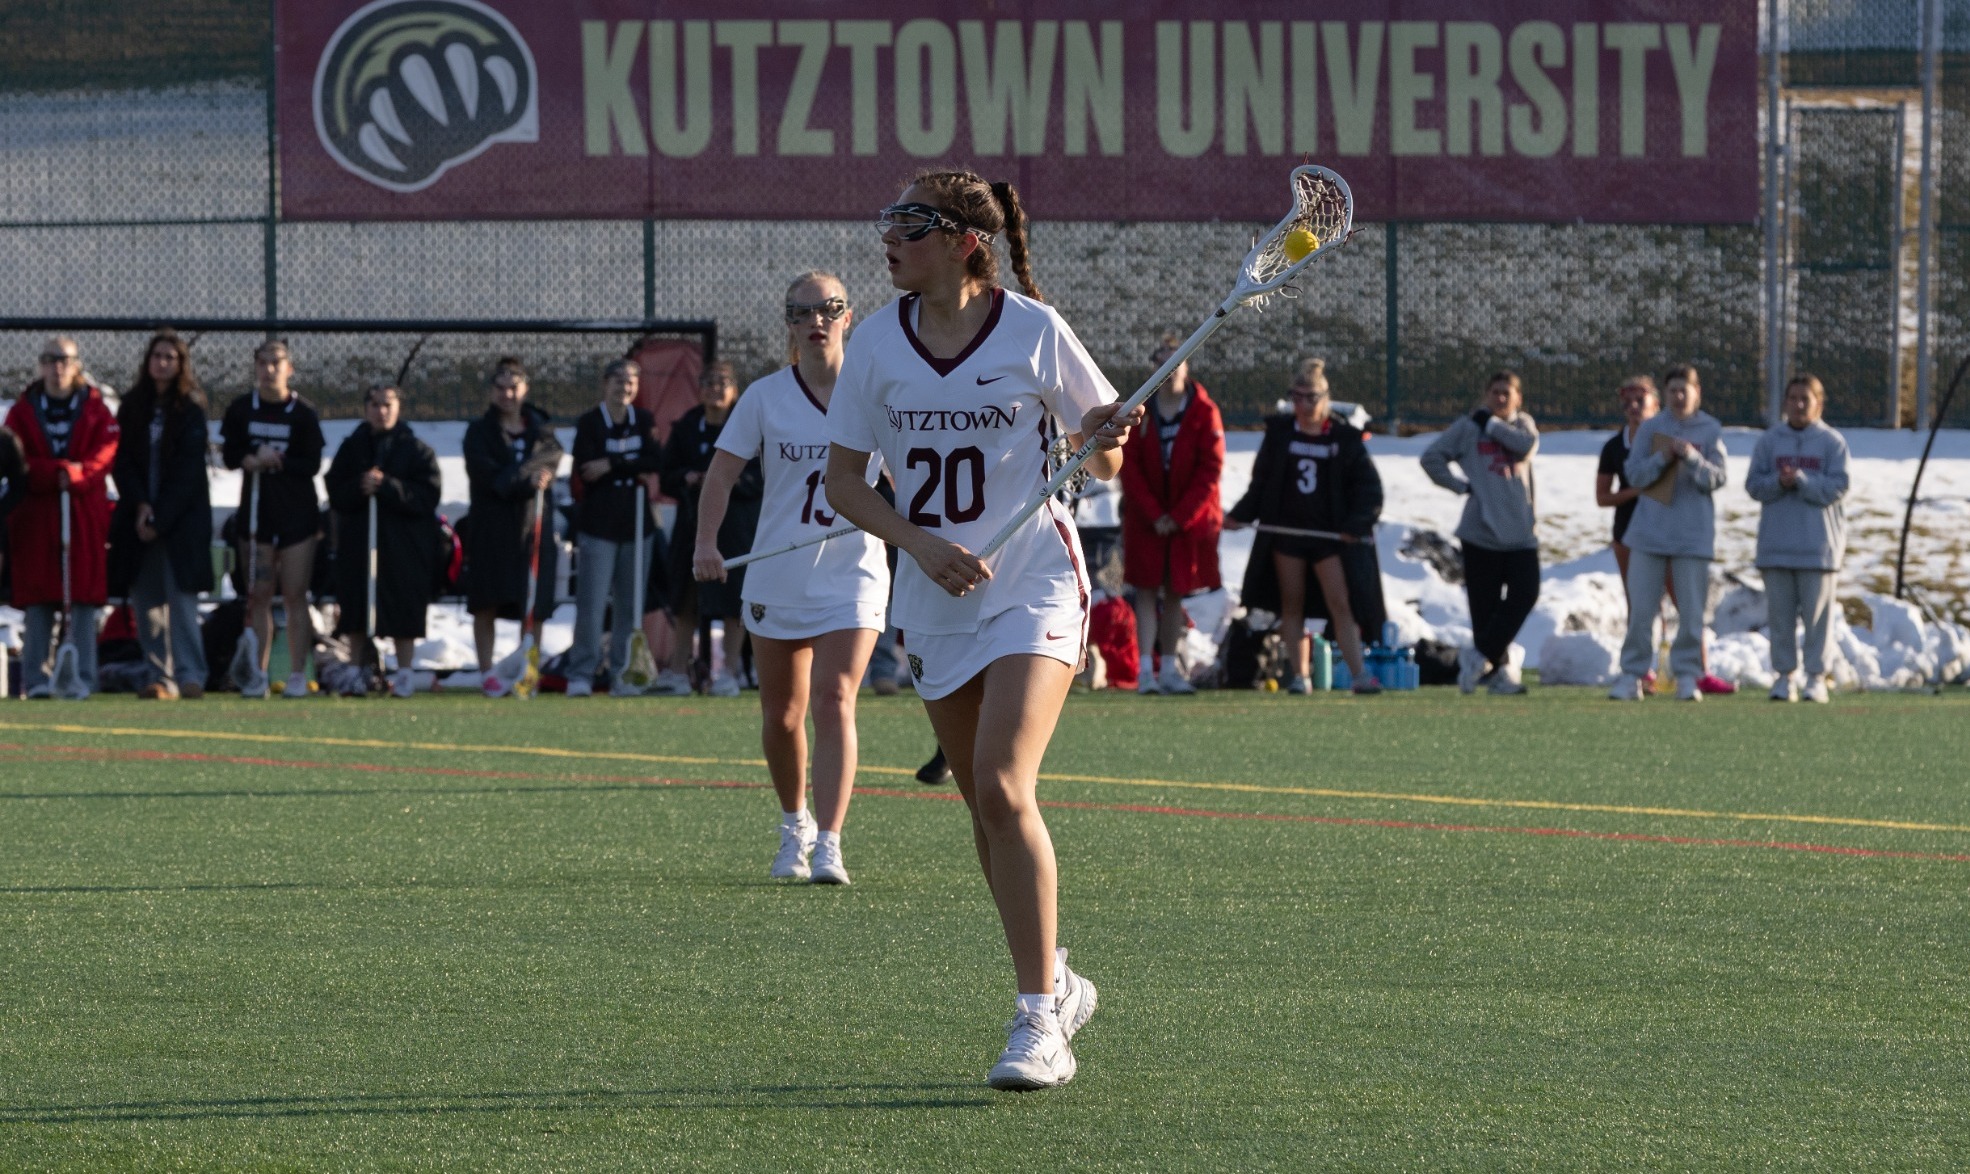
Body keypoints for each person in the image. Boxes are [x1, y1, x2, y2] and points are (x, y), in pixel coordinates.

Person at [823, 169, 1141, 1090]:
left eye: (911, 225)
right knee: (981, 806)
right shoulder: (875, 342)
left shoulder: (1036, 331)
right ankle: (1058, 976)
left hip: (1034, 581)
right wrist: (918, 546)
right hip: (933, 594)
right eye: (888, 220)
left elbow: (1107, 458)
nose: (890, 238)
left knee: (1004, 786)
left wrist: (1101, 432)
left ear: (966, 239)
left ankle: (1038, 1019)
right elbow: (847, 483)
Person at [695, 271, 890, 884]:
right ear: (789, 323)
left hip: (853, 573)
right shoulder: (764, 396)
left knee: (835, 698)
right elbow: (722, 474)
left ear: (849, 316)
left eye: (830, 309)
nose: (817, 321)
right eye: (803, 312)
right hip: (777, 573)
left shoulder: (880, 394)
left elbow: (913, 475)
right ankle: (793, 825)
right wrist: (706, 542)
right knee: (782, 715)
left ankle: (830, 842)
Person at [1225, 358, 1383, 694]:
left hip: (1329, 539)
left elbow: (1369, 490)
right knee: (1291, 603)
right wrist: (1239, 515)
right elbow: (1261, 484)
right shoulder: (1280, 434)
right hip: (1288, 535)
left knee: (1341, 604)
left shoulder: (1344, 438)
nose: (1303, 404)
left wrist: (1355, 525)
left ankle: (1359, 676)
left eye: (1310, 397)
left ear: (1325, 398)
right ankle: (1300, 676)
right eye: (1296, 397)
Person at [1596, 376, 1733, 694]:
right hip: (1648, 534)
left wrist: (1691, 458)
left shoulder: (1710, 429)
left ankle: (1687, 676)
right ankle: (1633, 674)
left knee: (1690, 610)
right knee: (1642, 609)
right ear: (1665, 395)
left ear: (1697, 392)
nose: (1679, 396)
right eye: (1673, 390)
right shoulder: (1650, 428)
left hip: (1692, 536)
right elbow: (1635, 473)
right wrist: (1663, 458)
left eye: (1685, 389)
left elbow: (1717, 478)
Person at [4, 337, 118, 698]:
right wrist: (52, 472)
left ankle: (82, 677)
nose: (58, 367)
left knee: (82, 597)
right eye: (50, 360)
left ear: (76, 364)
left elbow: (105, 453)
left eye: (65, 360)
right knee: (39, 598)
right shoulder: (22, 411)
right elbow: (13, 457)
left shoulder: (96, 409)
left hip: (82, 513)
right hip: (37, 515)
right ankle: (37, 680)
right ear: (40, 365)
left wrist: (78, 473)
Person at [1420, 370, 1540, 695]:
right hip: (1480, 533)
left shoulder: (1522, 425)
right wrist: (1461, 486)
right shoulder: (1467, 428)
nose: (1500, 398)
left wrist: (1491, 424)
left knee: (1525, 594)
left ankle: (1478, 656)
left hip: (1520, 533)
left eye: (1507, 393)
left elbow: (1525, 447)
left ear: (1518, 398)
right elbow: (1431, 458)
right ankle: (1498, 674)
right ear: (1486, 395)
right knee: (1484, 609)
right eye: (1495, 392)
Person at [109, 330, 213, 700]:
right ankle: (160, 675)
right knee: (147, 602)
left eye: (171, 357)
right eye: (157, 356)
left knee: (181, 602)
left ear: (181, 363)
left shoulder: (191, 407)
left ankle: (190, 675)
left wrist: (160, 518)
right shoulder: (132, 405)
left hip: (179, 524)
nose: (163, 362)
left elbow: (187, 473)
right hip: (138, 521)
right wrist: (140, 506)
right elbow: (121, 462)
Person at [1120, 331, 1224, 695]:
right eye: (1162, 360)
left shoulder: (1203, 411)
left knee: (1175, 592)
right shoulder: (1139, 408)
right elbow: (1127, 467)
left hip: (1185, 522)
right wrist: (1153, 513)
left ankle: (1168, 669)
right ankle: (1145, 671)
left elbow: (1210, 470)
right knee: (1146, 592)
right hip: (1145, 519)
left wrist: (1178, 517)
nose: (1169, 368)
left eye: (1176, 360)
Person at [221, 340, 326, 699]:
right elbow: (230, 454)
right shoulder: (240, 409)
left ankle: (298, 674)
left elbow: (311, 463)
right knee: (259, 595)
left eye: (276, 363)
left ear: (289, 368)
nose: (269, 370)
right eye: (263, 363)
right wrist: (250, 457)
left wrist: (277, 460)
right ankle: (258, 674)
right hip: (255, 515)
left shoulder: (303, 413)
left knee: (296, 594)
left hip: (297, 516)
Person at [324, 384, 442, 698]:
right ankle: (355, 669)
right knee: (357, 605)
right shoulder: (353, 447)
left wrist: (387, 486)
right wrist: (359, 487)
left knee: (403, 605)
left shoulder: (416, 449)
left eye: (387, 404)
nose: (381, 411)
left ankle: (404, 672)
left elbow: (428, 495)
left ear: (398, 408)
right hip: (360, 542)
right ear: (366, 409)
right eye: (375, 405)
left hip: (403, 545)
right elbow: (335, 490)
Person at [462, 357, 564, 697]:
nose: (507, 394)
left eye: (514, 387)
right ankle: (487, 672)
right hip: (491, 529)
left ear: (525, 389)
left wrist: (521, 476)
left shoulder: (541, 429)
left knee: (533, 603)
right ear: (492, 391)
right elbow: (490, 478)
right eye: (501, 387)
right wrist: (524, 477)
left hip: (531, 527)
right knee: (486, 602)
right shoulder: (478, 431)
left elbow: (552, 456)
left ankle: (527, 667)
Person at [1747, 374, 1849, 703]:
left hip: (1817, 548)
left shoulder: (1833, 443)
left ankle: (1816, 677)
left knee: (1818, 620)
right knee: (1780, 619)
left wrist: (1802, 480)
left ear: (1819, 403)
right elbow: (1754, 485)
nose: (1799, 405)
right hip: (1776, 547)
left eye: (1806, 399)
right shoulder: (1769, 441)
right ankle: (1782, 676)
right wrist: (1779, 481)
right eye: (1793, 398)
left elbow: (1837, 486)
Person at [567, 359, 662, 697]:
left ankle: (622, 674)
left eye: (631, 381)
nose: (625, 387)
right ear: (605, 384)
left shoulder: (645, 420)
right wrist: (626, 468)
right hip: (598, 526)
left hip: (636, 526)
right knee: (591, 606)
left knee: (629, 606)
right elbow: (585, 467)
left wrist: (612, 464)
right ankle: (581, 673)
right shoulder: (590, 423)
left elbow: (654, 461)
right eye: (619, 380)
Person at [662, 361, 758, 696]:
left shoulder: (749, 423)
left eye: (723, 383)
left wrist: (724, 484)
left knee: (734, 600)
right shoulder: (686, 426)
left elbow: (760, 476)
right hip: (691, 527)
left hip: (737, 526)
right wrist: (689, 478)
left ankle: (728, 673)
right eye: (709, 383)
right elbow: (666, 474)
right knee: (685, 597)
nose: (715, 389)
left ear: (735, 390)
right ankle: (677, 671)